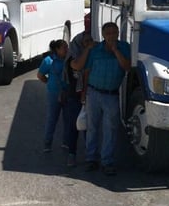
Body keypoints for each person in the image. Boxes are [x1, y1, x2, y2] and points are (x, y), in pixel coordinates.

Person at [71, 22, 131, 175]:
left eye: (114, 32)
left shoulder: (124, 47)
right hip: (93, 92)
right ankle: (91, 159)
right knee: (92, 127)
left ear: (118, 33)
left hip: (111, 94)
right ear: (103, 35)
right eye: (108, 33)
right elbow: (83, 70)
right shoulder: (95, 49)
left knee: (110, 129)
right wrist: (84, 93)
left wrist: (116, 50)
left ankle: (107, 161)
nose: (111, 36)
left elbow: (127, 67)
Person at [37, 40, 80, 156]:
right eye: (64, 48)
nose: (67, 50)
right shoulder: (48, 61)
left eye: (67, 47)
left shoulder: (70, 60)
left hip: (68, 94)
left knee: (68, 119)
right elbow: (40, 75)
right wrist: (49, 84)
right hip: (54, 94)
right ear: (57, 49)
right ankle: (47, 143)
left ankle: (66, 142)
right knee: (52, 118)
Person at [64, 13, 93, 167]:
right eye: (85, 40)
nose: (88, 42)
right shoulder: (75, 48)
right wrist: (87, 50)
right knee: (73, 126)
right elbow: (77, 66)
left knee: (90, 128)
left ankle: (90, 156)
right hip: (74, 95)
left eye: (90, 40)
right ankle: (72, 154)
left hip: (91, 94)